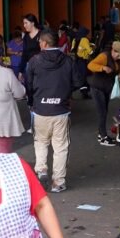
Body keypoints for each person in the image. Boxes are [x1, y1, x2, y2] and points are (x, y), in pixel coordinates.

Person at [25, 30, 74, 193]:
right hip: (61, 110)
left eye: (40, 42)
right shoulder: (68, 60)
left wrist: (32, 102)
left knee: (41, 142)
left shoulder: (34, 61)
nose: (39, 44)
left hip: (40, 110)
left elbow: (28, 84)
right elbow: (78, 81)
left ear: (45, 44)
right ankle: (58, 182)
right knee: (60, 147)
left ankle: (42, 170)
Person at [88, 40, 120, 146]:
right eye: (119, 55)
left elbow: (118, 70)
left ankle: (101, 134)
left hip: (107, 88)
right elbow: (90, 65)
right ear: (113, 50)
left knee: (104, 112)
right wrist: (102, 67)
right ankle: (103, 137)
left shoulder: (118, 60)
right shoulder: (104, 56)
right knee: (102, 113)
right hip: (97, 88)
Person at [18, 14, 41, 80]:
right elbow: (24, 54)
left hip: (40, 66)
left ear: (33, 23)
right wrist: (21, 71)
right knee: (29, 86)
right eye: (23, 23)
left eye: (26, 23)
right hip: (29, 66)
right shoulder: (26, 36)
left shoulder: (41, 34)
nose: (24, 25)